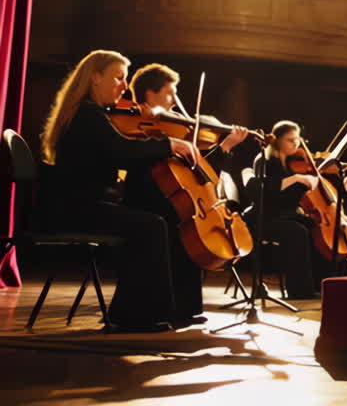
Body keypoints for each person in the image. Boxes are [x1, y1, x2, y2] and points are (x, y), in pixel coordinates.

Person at [39, 50, 196, 332]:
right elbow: (121, 151)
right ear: (96, 77)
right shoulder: (88, 114)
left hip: (78, 205)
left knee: (152, 221)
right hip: (76, 209)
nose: (125, 86)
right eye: (119, 77)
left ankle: (134, 311)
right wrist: (169, 144)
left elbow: (114, 151)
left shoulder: (90, 112)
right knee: (151, 225)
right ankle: (139, 316)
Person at [126, 63, 249, 326]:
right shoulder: (138, 127)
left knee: (186, 219)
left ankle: (186, 306)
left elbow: (200, 178)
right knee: (177, 224)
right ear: (150, 94)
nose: (174, 101)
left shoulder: (174, 130)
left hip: (165, 195)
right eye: (170, 93)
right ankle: (167, 308)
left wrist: (224, 147)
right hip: (145, 196)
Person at [249, 120, 347, 298]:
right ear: (277, 140)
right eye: (290, 140)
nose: (296, 144)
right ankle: (300, 290)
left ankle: (328, 282)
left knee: (317, 228)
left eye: (297, 139)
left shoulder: (294, 162)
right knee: (297, 232)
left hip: (287, 215)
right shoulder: (265, 160)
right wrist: (295, 179)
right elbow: (265, 191)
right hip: (265, 216)